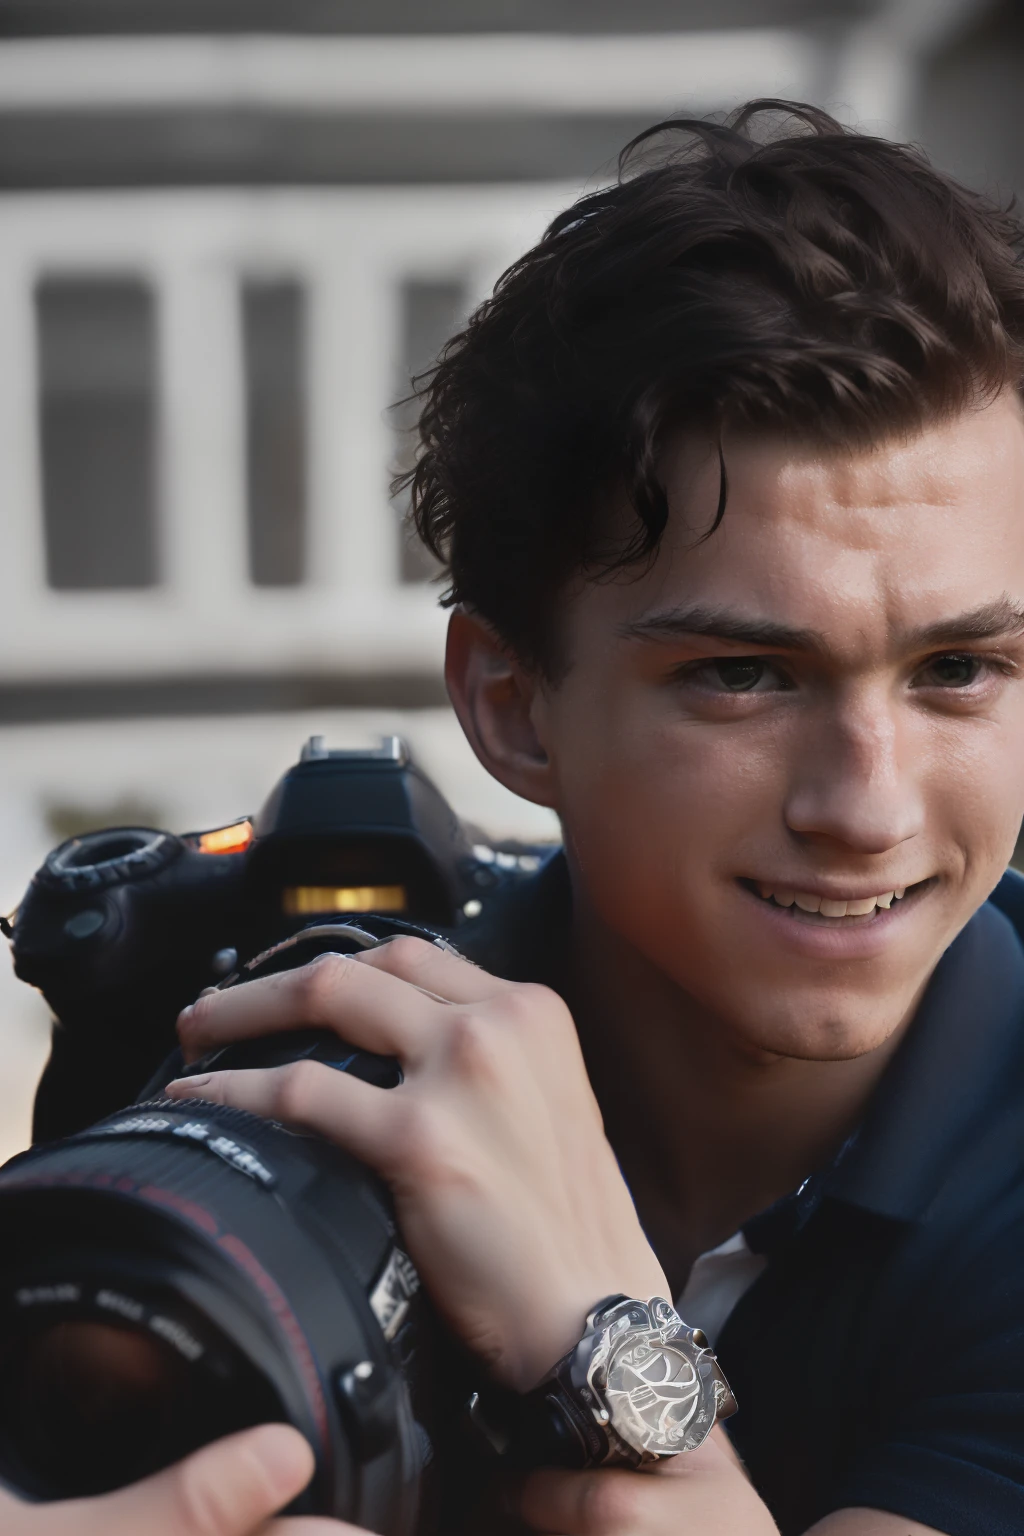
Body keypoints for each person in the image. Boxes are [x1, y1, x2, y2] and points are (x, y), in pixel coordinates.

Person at [14, 98, 1024, 1534]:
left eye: (959, 670)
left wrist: (595, 1334)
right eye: (743, 674)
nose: (865, 805)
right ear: (513, 702)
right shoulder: (329, 1051)